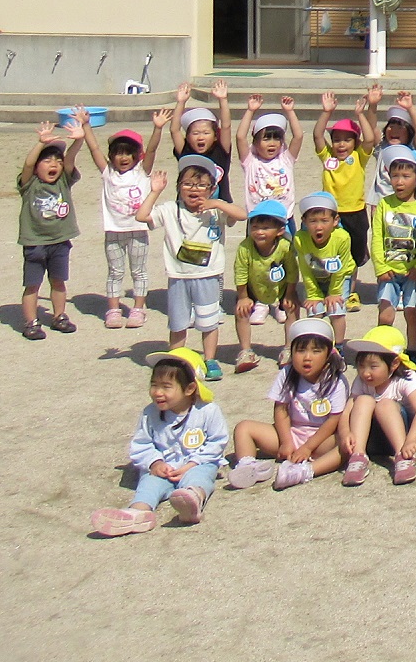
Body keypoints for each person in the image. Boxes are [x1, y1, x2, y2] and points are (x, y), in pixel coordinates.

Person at [90, 349, 227, 535]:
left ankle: (192, 501)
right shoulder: (150, 413)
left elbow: (217, 442)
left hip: (196, 464)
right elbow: (142, 444)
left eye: (166, 387)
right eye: (154, 385)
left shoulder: (208, 411)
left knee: (200, 477)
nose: (157, 393)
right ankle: (138, 512)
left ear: (189, 389)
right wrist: (155, 463)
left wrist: (191, 464)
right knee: (149, 484)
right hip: (164, 468)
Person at [138, 156, 244, 375]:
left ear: (212, 188)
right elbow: (142, 215)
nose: (193, 189)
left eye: (201, 185)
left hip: (208, 274)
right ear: (178, 187)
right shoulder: (169, 209)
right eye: (187, 184)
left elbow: (243, 215)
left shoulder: (216, 211)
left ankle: (210, 360)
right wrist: (155, 191)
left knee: (209, 321)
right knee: (178, 322)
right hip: (178, 275)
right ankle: (177, 359)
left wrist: (216, 202)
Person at [229, 318, 348, 490]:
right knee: (244, 428)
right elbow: (281, 409)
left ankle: (305, 471)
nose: (307, 357)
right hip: (291, 432)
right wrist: (286, 442)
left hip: (321, 439)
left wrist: (307, 447)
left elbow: (333, 421)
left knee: (344, 445)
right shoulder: (287, 373)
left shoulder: (335, 380)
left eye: (316, 351)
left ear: (329, 354)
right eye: (300, 351)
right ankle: (248, 466)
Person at [16, 113, 89, 340]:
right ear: (38, 165)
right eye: (47, 161)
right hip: (35, 243)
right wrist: (40, 143)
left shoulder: (63, 182)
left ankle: (59, 316)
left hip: (59, 242)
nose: (54, 165)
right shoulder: (29, 184)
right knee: (32, 285)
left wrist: (78, 140)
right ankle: (31, 322)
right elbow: (28, 164)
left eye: (56, 161)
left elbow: (69, 161)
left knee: (58, 282)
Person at [339, 325, 416, 486]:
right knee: (363, 400)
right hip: (373, 437)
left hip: (407, 435)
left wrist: (411, 440)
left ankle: (403, 457)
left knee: (384, 404)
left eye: (373, 366)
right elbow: (347, 411)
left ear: (394, 364)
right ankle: (358, 456)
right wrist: (345, 433)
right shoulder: (362, 381)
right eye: (361, 366)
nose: (366, 373)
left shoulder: (406, 377)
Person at [97, 115, 164, 330]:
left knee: (139, 271)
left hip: (138, 231)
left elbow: (152, 150)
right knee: (115, 272)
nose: (123, 157)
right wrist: (86, 126)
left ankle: (138, 309)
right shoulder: (108, 173)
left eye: (128, 152)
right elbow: (93, 151)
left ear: (137, 155)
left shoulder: (142, 173)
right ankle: (114, 310)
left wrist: (157, 128)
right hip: (113, 232)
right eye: (118, 152)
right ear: (111, 156)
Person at [369, 145, 416, 355]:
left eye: (405, 175)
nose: (399, 181)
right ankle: (383, 350)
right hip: (389, 272)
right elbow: (377, 237)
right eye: (395, 176)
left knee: (412, 313)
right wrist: (380, 267)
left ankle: (412, 353)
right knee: (385, 314)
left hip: (414, 272)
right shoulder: (384, 204)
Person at [315, 92, 372, 310]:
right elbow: (317, 135)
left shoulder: (359, 156)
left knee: (353, 256)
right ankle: (331, 290)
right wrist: (326, 112)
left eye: (347, 139)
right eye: (337, 139)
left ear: (354, 142)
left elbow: (370, 140)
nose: (341, 144)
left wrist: (361, 115)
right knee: (330, 250)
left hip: (356, 212)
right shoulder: (327, 156)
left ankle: (351, 292)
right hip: (330, 213)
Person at [230, 201, 298, 373]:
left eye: (265, 227)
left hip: (281, 287)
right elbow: (240, 273)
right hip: (253, 286)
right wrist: (243, 296)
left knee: (292, 308)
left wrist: (289, 294)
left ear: (280, 230)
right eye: (255, 227)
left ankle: (289, 348)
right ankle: (245, 351)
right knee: (241, 311)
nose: (259, 231)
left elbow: (292, 272)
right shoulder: (245, 247)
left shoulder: (285, 246)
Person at [292, 192, 355, 341]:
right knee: (314, 311)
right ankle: (318, 345)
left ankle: (338, 348)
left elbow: (341, 268)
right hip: (316, 276)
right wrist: (314, 294)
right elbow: (305, 269)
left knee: (336, 310)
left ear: (335, 221)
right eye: (313, 221)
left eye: (324, 220)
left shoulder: (342, 238)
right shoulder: (300, 239)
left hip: (341, 277)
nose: (318, 227)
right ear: (304, 221)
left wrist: (333, 293)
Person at [235, 95, 303, 216]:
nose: (272, 143)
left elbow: (298, 136)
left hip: (284, 217)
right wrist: (250, 111)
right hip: (258, 218)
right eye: (266, 139)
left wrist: (290, 111)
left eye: (277, 139)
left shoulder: (286, 159)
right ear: (255, 142)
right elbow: (240, 137)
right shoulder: (251, 161)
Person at [168, 81, 233, 202]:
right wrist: (181, 102)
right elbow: (174, 130)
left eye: (206, 133)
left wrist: (223, 99)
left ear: (215, 136)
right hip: (187, 206)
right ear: (187, 137)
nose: (201, 137)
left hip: (218, 208)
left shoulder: (221, 150)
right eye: (195, 133)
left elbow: (226, 126)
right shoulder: (185, 151)